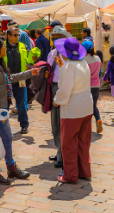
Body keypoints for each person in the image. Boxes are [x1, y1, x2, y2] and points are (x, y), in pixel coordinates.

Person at [0, 36, 40, 184]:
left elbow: (9, 78)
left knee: (3, 137)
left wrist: (29, 73)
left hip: (2, 107)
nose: (5, 48)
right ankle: (10, 167)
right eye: (3, 46)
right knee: (6, 137)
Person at [52, 38, 94, 184]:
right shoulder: (83, 63)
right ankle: (84, 171)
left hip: (72, 110)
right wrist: (63, 67)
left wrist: (56, 101)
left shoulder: (69, 67)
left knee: (68, 143)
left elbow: (65, 91)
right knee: (83, 141)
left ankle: (70, 175)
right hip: (86, 106)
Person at [47, 24, 69, 168]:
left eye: (58, 38)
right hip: (53, 88)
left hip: (64, 88)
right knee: (55, 124)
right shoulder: (51, 54)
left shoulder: (68, 54)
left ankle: (62, 155)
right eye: (54, 38)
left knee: (63, 123)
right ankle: (58, 150)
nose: (56, 40)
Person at [4, 27, 31, 134]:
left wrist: (32, 60)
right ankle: (3, 125)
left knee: (22, 104)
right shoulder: (3, 47)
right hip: (6, 80)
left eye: (18, 35)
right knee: (4, 105)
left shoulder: (22, 46)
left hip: (20, 79)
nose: (17, 37)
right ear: (8, 36)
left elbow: (28, 60)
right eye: (15, 35)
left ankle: (24, 125)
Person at [82, 41, 102, 132]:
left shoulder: (84, 60)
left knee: (85, 108)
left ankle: (85, 127)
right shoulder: (97, 58)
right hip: (96, 86)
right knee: (94, 106)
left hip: (86, 86)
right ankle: (98, 119)